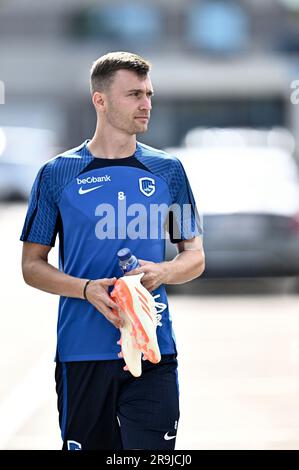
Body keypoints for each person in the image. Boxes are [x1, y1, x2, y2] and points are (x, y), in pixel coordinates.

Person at [20, 51, 205, 450]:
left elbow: (195, 255)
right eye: (133, 94)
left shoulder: (168, 170)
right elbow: (32, 266)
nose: (146, 104)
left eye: (149, 94)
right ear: (99, 100)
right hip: (81, 352)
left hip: (154, 350)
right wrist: (87, 289)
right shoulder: (57, 174)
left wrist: (164, 272)